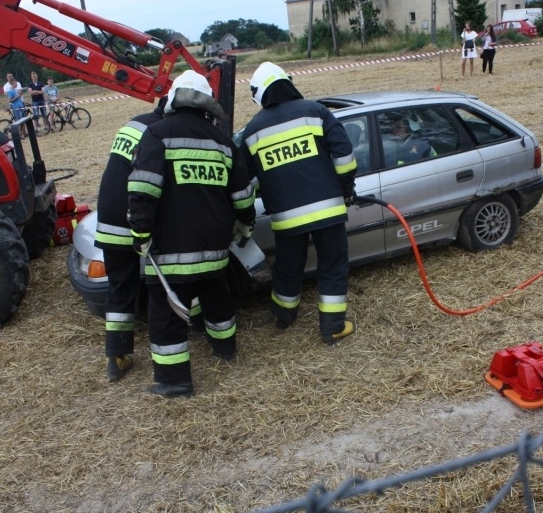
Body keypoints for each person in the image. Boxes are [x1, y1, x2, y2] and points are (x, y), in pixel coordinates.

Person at [127, 70, 256, 397]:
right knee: (217, 301)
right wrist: (245, 223)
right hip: (215, 249)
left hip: (170, 250)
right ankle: (226, 352)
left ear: (173, 100)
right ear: (207, 107)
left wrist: (140, 233)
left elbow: (143, 188)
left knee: (167, 317)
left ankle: (174, 382)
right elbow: (242, 195)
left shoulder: (157, 135)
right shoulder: (223, 143)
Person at [240, 62, 357, 344]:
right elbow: (344, 157)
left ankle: (283, 315)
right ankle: (332, 326)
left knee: (288, 266)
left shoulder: (253, 130)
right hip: (328, 209)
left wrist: (245, 215)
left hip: (285, 217)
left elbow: (246, 183)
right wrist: (346, 190)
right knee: (332, 265)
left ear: (259, 94)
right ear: (288, 82)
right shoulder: (315, 111)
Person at [94, 96, 168, 382]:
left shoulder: (135, 123)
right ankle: (167, 341)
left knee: (120, 288)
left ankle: (117, 357)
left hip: (107, 216)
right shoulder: (158, 133)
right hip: (130, 216)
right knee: (156, 281)